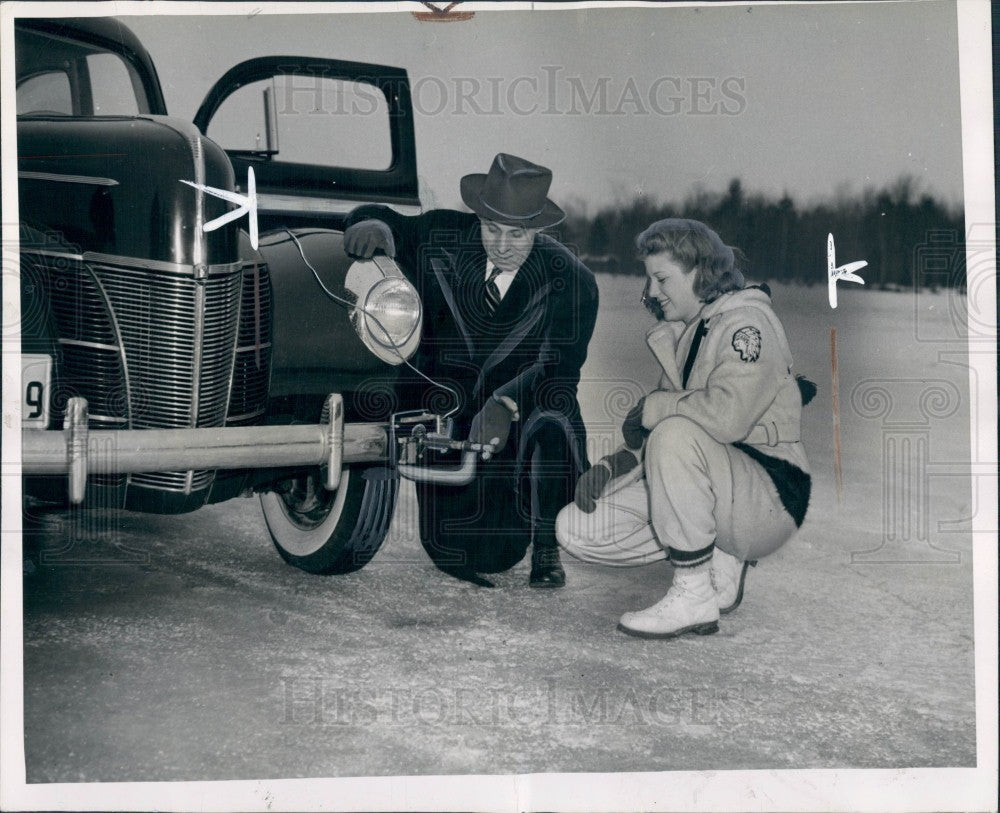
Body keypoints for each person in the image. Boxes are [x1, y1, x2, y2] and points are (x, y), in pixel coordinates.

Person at [343, 153, 599, 588]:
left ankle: (545, 542)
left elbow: (560, 370)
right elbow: (383, 218)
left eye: (517, 234)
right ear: (476, 218)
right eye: (492, 228)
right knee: (454, 548)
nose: (501, 245)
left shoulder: (572, 281)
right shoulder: (444, 235)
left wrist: (508, 403)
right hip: (449, 417)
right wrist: (372, 226)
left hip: (517, 432)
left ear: (537, 229)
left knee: (556, 411)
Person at [556, 218, 811, 637]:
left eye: (661, 279)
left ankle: (695, 591)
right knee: (575, 529)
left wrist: (656, 407)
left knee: (674, 432)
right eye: (649, 280)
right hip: (720, 485)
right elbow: (665, 436)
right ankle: (704, 550)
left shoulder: (747, 325)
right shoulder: (687, 332)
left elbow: (724, 418)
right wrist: (611, 465)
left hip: (770, 491)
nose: (652, 292)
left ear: (699, 272)